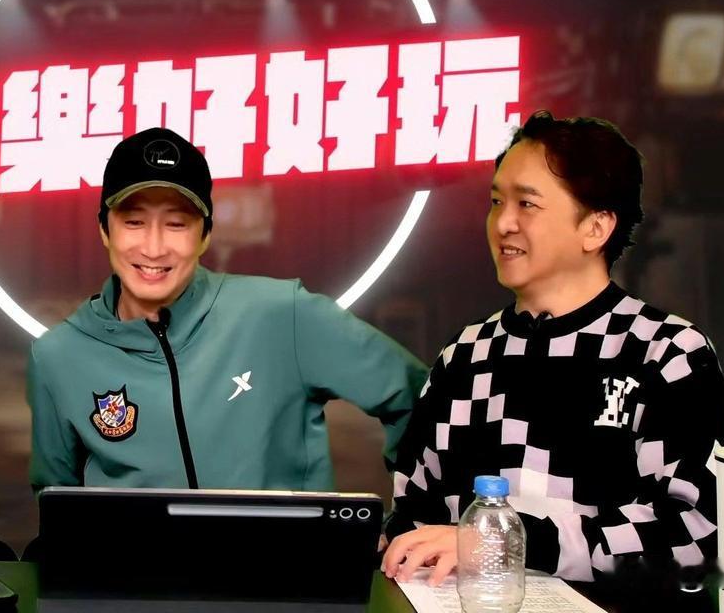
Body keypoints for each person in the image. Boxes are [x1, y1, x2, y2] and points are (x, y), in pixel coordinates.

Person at [381, 111, 724, 587]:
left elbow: (692, 536)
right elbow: (412, 515)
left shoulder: (667, 353)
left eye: (527, 204)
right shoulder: (465, 355)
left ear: (596, 228)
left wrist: (512, 542)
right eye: (496, 201)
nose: (503, 223)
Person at [27, 127, 428, 493]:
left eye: (177, 224)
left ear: (205, 235)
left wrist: (411, 518)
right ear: (104, 229)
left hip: (285, 554)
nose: (153, 247)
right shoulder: (58, 356)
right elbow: (59, 508)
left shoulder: (281, 315)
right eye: (133, 222)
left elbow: (421, 398)